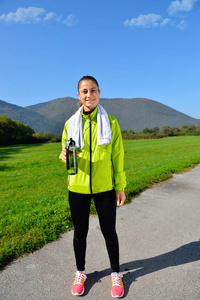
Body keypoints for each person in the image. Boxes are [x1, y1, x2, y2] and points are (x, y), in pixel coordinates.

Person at [60, 75, 126, 298]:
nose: (89, 95)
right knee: (80, 234)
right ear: (78, 95)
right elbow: (67, 156)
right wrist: (64, 156)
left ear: (99, 93)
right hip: (77, 188)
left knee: (110, 233)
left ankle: (116, 274)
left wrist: (120, 186)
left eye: (93, 90)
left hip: (104, 188)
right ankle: (80, 272)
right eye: (85, 91)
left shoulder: (112, 122)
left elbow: (118, 157)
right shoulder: (70, 124)